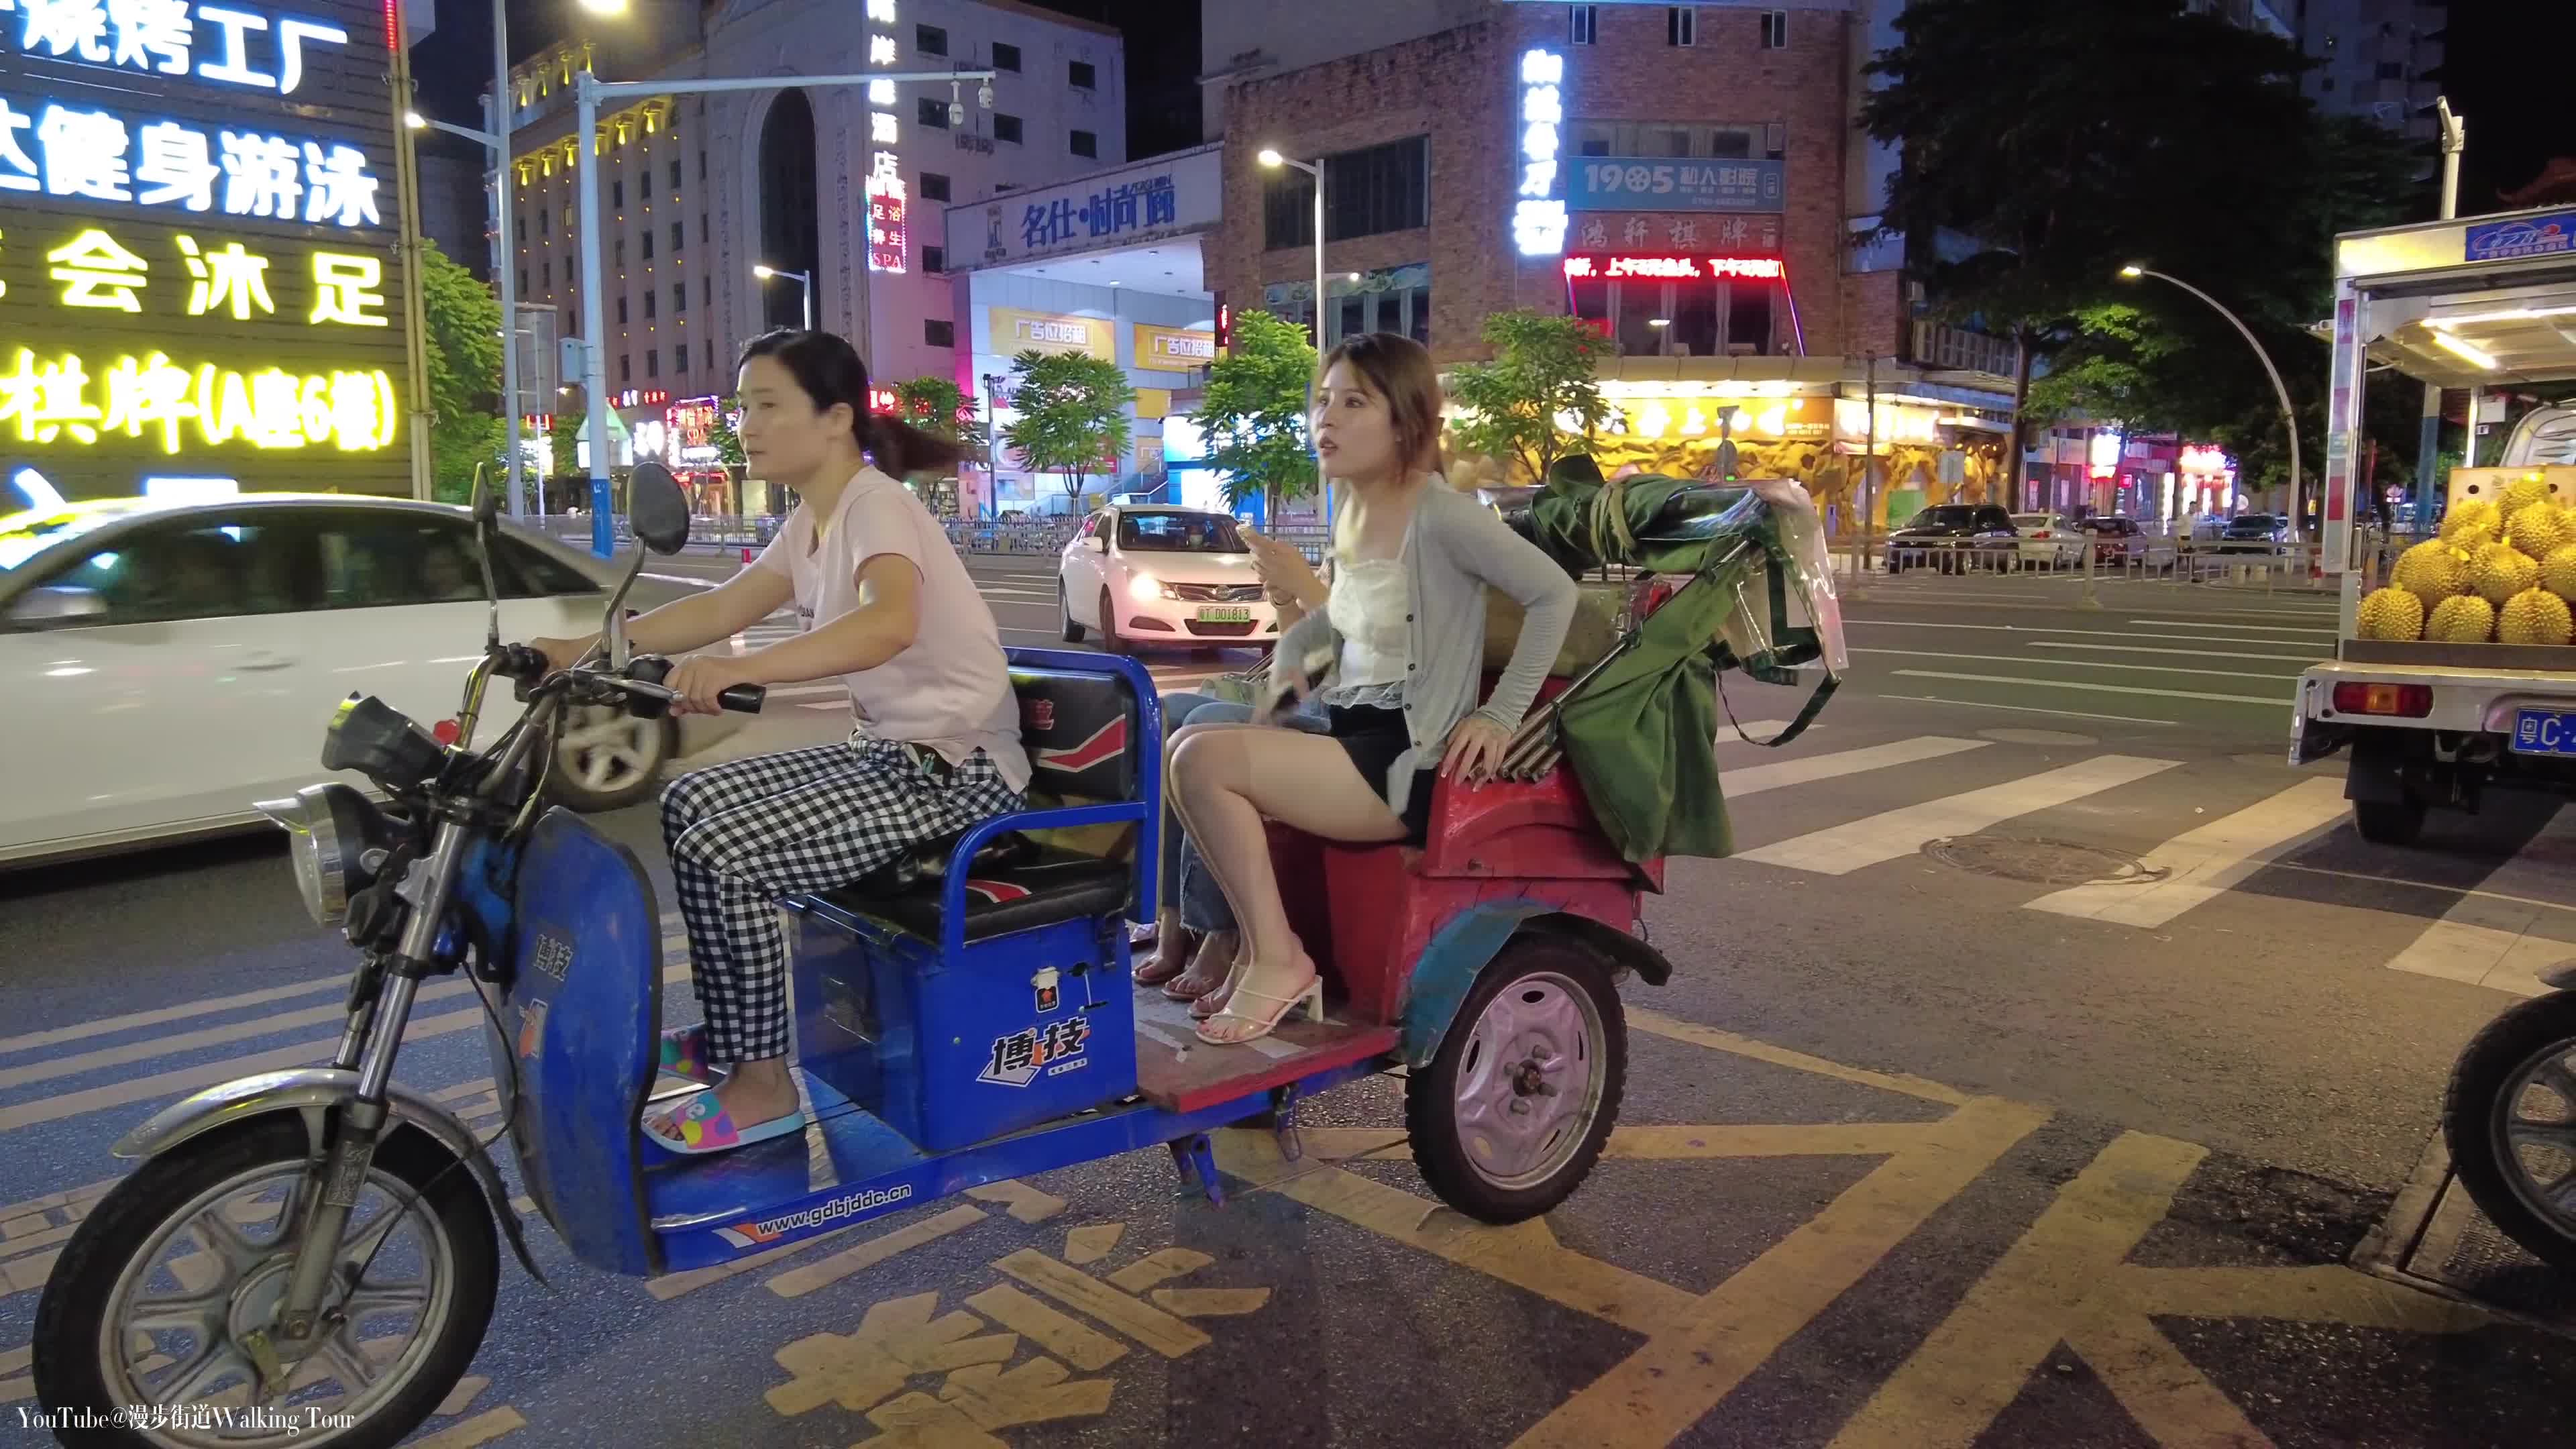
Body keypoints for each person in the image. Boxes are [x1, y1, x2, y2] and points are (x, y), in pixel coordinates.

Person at [526, 329, 1029, 1156]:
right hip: (891, 757)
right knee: (689, 800)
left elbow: (889, 621)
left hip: (958, 773)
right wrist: (583, 650)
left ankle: (765, 1085)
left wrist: (734, 672)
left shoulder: (876, 505)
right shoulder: (814, 520)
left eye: (767, 406)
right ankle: (737, 1041)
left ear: (835, 419)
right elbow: (722, 607)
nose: (746, 426)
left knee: (732, 851)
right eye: (741, 407)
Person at [1165, 333, 1576, 1046]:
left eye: (1354, 401)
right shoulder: (1353, 513)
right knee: (1180, 731)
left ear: (1406, 418)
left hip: (1401, 763)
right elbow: (1339, 647)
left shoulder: (1442, 515)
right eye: (1323, 400)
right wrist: (1289, 617)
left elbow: (1554, 596)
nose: (1327, 417)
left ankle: (1275, 957)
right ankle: (1220, 939)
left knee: (1203, 758)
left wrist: (1501, 714)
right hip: (1346, 731)